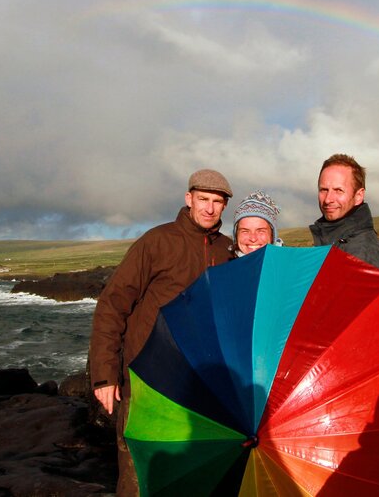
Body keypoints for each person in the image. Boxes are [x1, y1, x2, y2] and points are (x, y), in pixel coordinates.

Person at [88, 169, 234, 495]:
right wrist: (104, 376)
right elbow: (112, 304)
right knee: (139, 473)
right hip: (146, 378)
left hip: (200, 386)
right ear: (188, 199)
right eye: (203, 199)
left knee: (188, 475)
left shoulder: (227, 250)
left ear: (224, 206)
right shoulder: (156, 241)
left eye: (217, 202)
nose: (209, 208)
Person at [309, 153, 379, 273]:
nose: (328, 199)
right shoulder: (334, 243)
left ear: (359, 196)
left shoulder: (363, 254)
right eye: (323, 190)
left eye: (338, 190)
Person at [231, 190, 283, 257]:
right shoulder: (226, 262)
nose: (253, 239)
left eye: (261, 231)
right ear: (236, 235)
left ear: (272, 235)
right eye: (245, 231)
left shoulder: (289, 262)